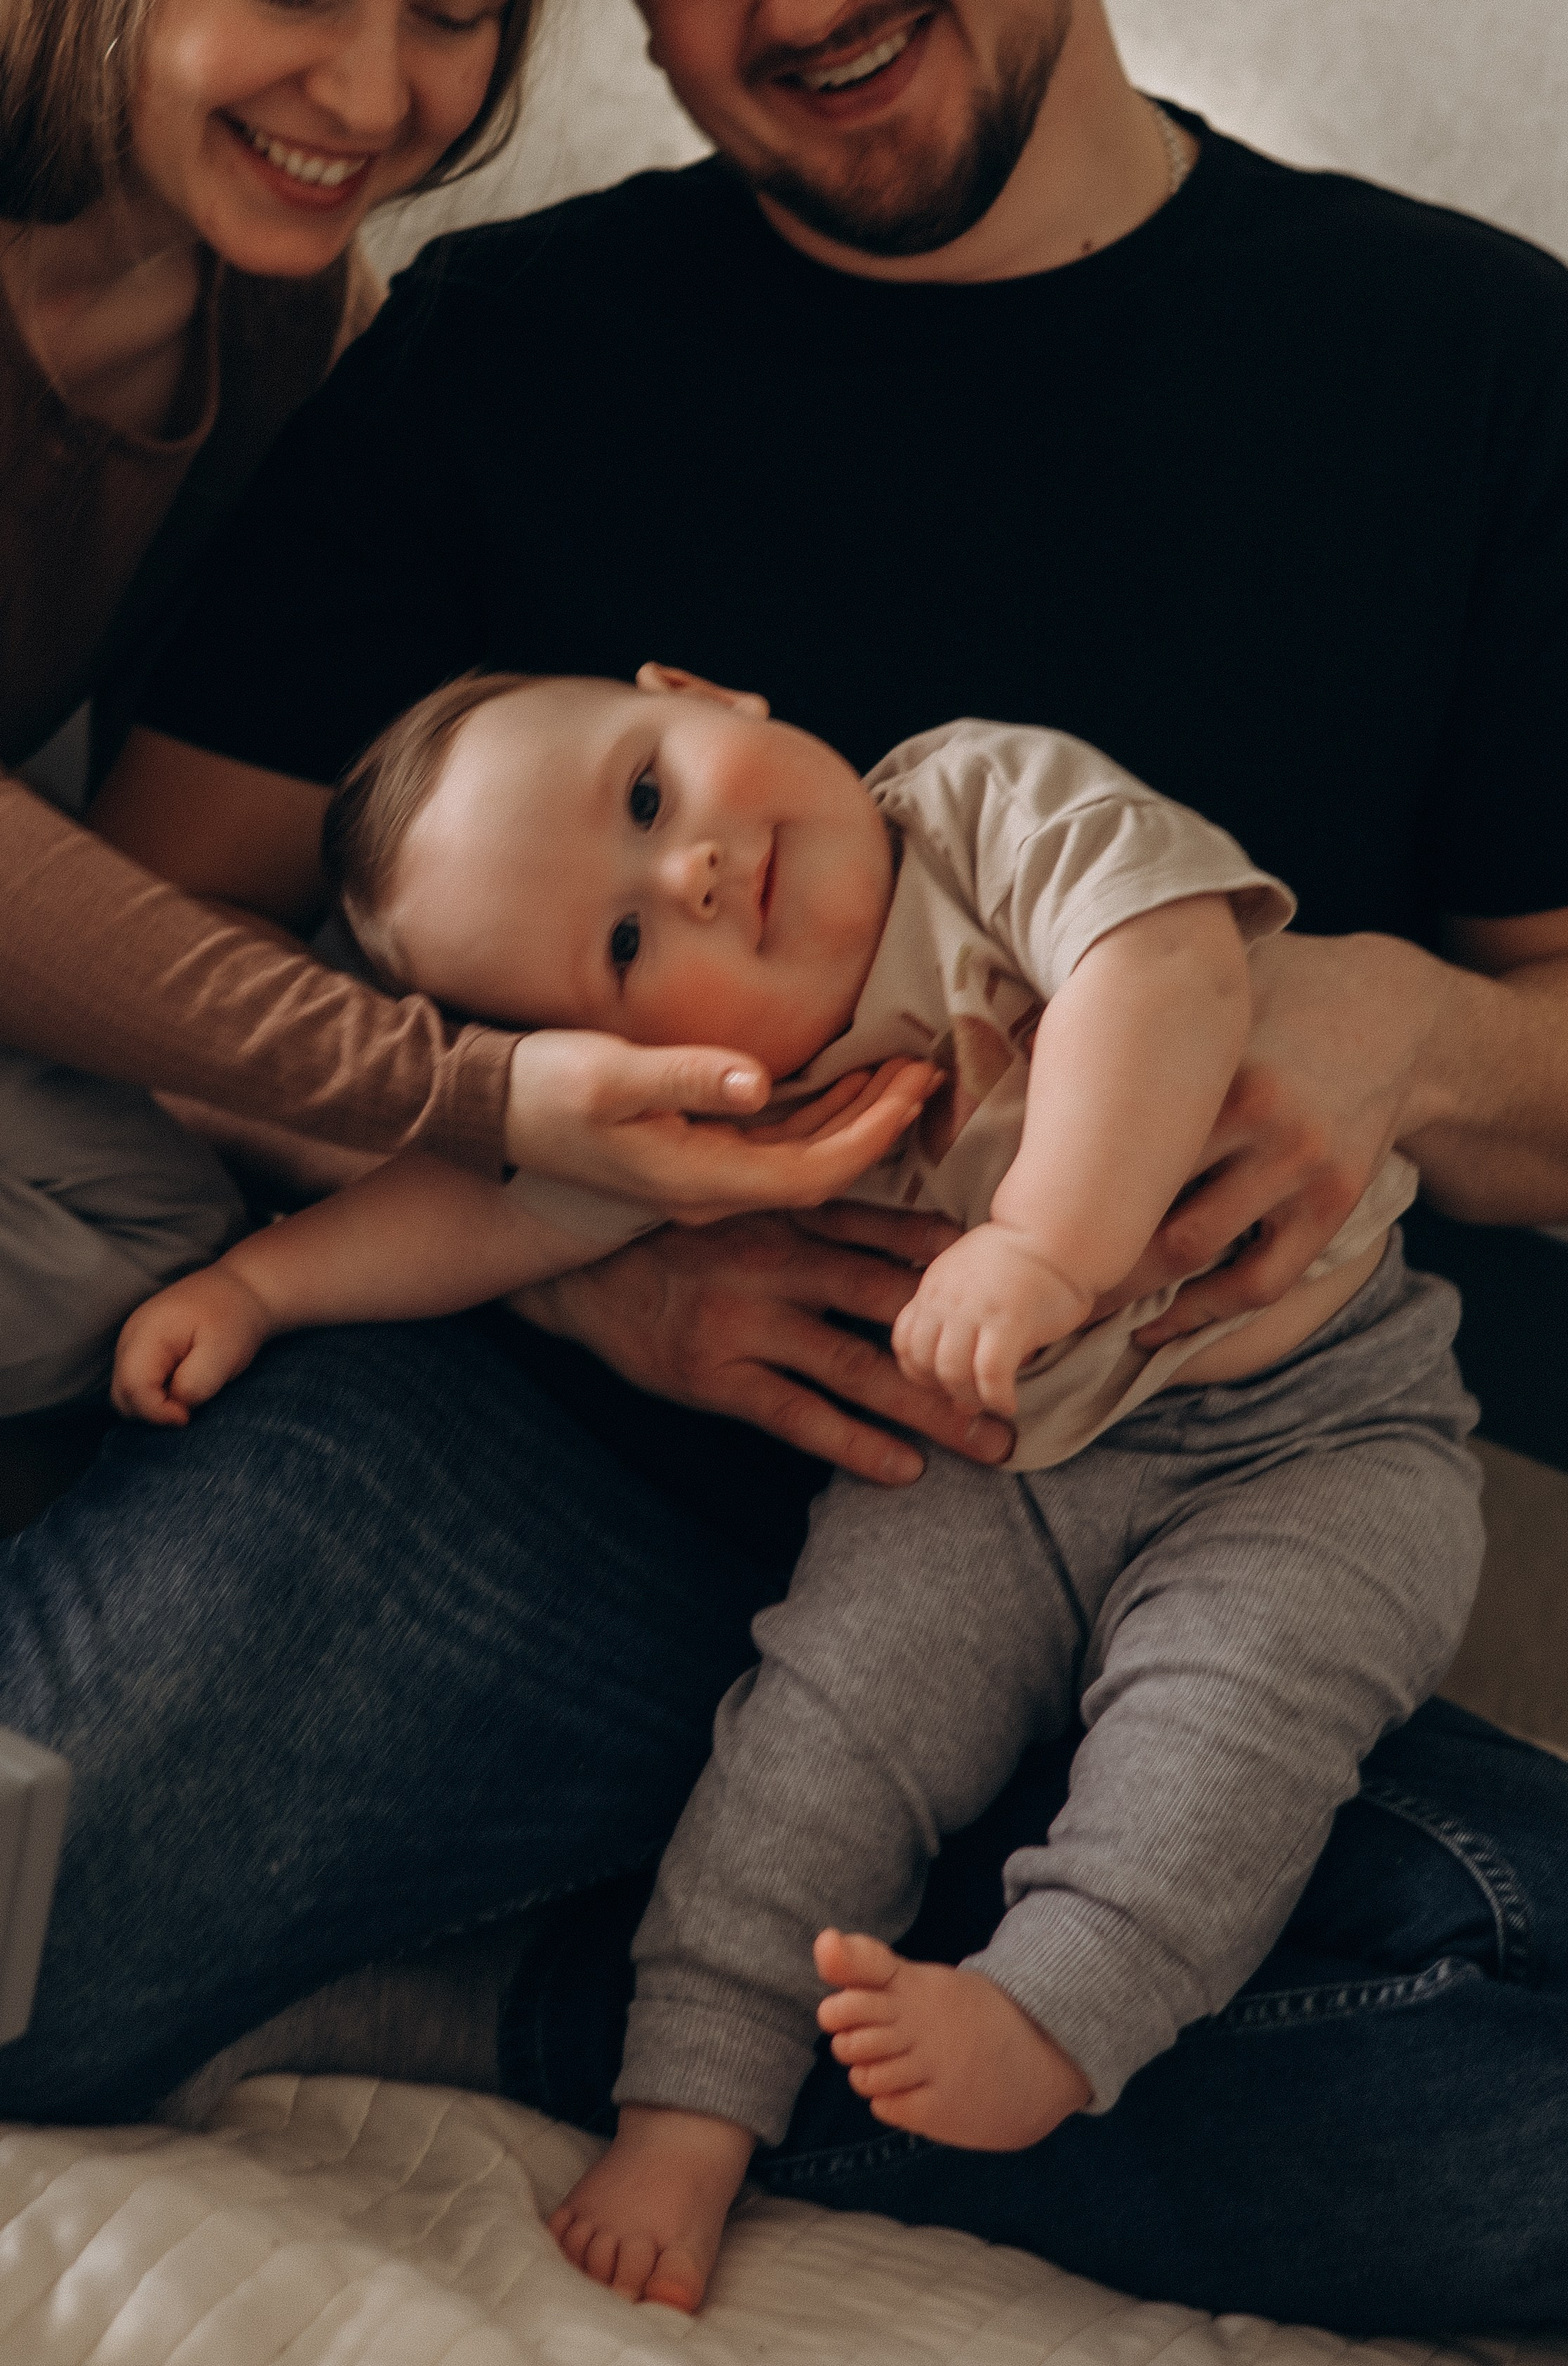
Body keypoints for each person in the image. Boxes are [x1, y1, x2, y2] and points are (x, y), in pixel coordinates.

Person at [4, 0, 1568, 2329]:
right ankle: (642, 1968)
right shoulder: (510, 337)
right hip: (530, 1478)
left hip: (1157, 1504)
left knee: (1530, 2131)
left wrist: (1418, 1040)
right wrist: (586, 1277)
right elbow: (165, 943)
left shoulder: (1463, 355)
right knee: (26, 1901)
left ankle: (611, 2005)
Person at [110, 665, 1483, 2313]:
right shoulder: (715, 1106)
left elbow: (1167, 967)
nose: (683, 870)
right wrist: (267, 1287)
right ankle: (685, 2107)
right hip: (980, 1464)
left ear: (701, 692)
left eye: (645, 791)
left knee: (1232, 1715)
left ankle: (1060, 2005)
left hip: (1318, 1425)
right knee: (822, 1727)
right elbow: (489, 1212)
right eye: (622, 951)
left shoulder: (984, 804)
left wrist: (1046, 1245)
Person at [0, 0, 898, 1421]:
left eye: (448, 12)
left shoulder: (287, 316)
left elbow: (183, 894)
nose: (367, 98)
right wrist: (477, 1101)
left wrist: (544, 1241)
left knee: (157, 1230)